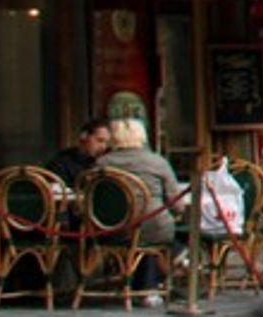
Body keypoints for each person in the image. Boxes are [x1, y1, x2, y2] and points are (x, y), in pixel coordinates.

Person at [95, 118, 184, 303]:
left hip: (113, 228)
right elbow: (177, 204)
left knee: (137, 231)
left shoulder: (101, 164)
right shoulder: (157, 162)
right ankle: (170, 268)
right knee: (151, 233)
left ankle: (146, 285)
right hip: (153, 226)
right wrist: (176, 215)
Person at [50, 119, 110, 188]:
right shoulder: (61, 162)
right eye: (100, 140)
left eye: (106, 142)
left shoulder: (106, 162)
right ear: (83, 136)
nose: (103, 147)